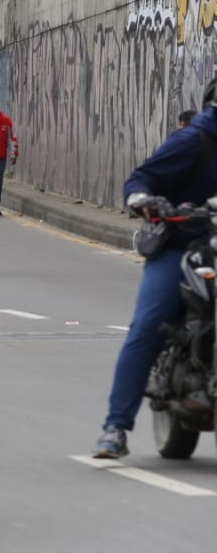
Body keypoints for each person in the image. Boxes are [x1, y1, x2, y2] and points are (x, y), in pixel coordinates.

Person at [92, 86, 217, 459]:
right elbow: (141, 179)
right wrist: (144, 200)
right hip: (184, 246)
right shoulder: (194, 141)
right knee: (148, 325)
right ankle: (115, 427)